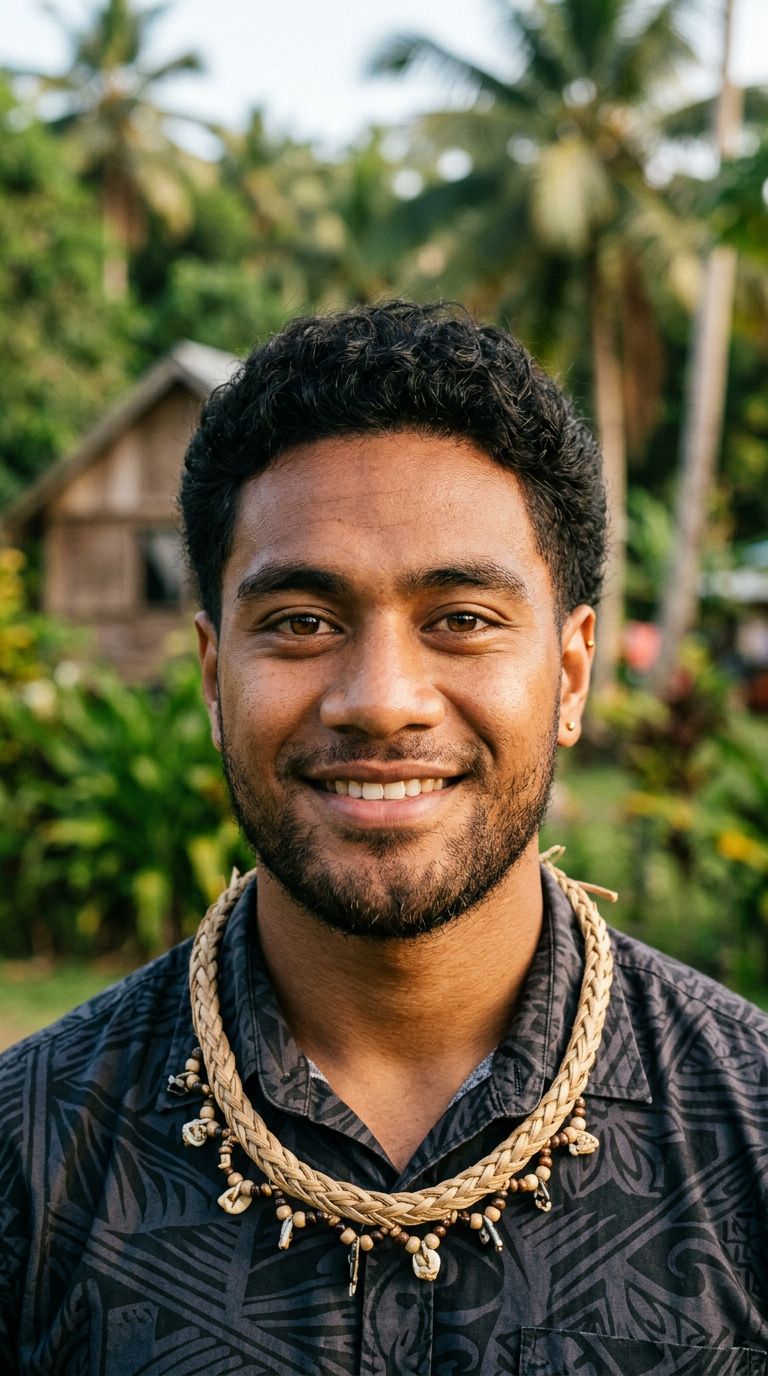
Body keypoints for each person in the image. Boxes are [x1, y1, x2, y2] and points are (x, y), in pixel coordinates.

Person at [1, 301, 766, 1376]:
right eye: (303, 621)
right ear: (216, 675)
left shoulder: (749, 1127)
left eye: (460, 617)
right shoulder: (31, 1152)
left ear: (573, 672)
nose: (382, 700)